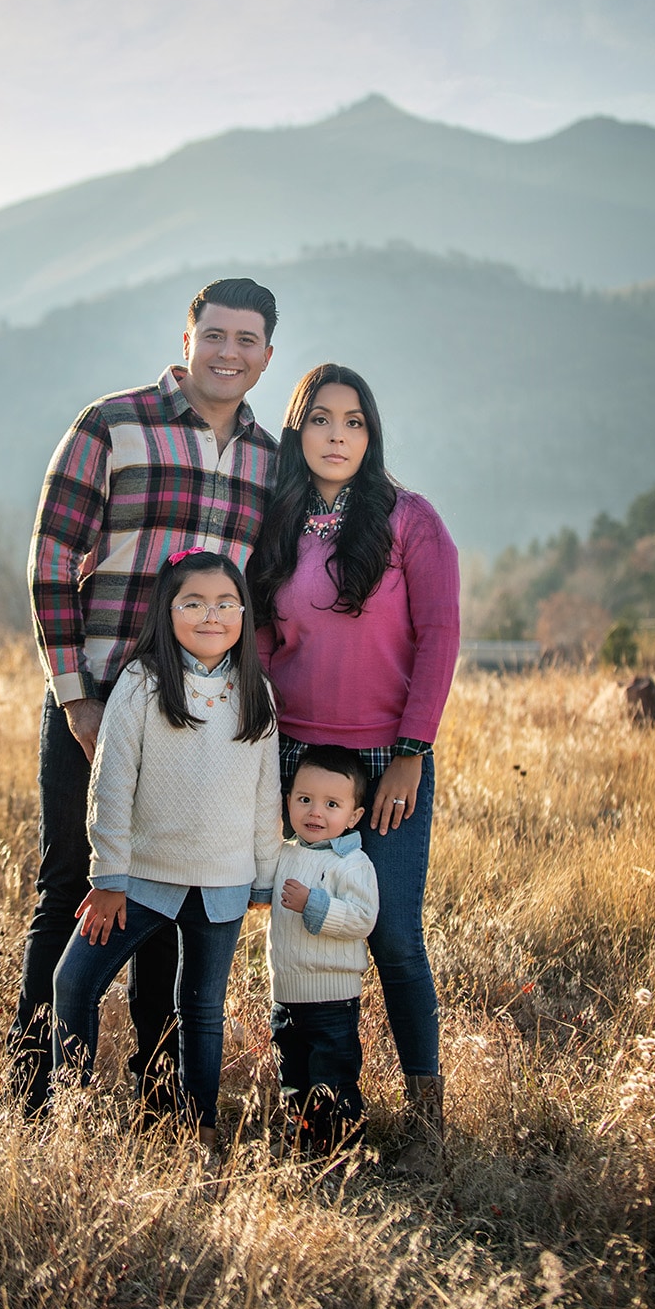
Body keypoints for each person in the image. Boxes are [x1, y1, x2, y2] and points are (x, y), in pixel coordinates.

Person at [13, 279, 280, 1112]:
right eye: (215, 335)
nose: (228, 353)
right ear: (189, 335)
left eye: (247, 340)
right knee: (76, 888)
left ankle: (159, 1099)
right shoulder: (113, 425)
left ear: (267, 355)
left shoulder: (271, 461)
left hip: (202, 721)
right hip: (97, 705)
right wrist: (75, 698)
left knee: (181, 901)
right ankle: (38, 1094)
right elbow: (51, 561)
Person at [249, 364, 460, 1173]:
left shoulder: (411, 521)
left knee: (396, 935)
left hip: (384, 759)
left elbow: (439, 636)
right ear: (298, 431)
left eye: (355, 422)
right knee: (296, 921)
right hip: (295, 757)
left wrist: (411, 753)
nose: (338, 435)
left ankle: (428, 1117)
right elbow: (264, 644)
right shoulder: (278, 523)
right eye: (322, 420)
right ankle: (314, 1099)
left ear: (371, 436)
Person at [52, 550, 281, 1150]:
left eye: (227, 603)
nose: (213, 615)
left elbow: (266, 797)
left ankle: (198, 1130)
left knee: (201, 1012)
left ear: (243, 612)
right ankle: (71, 1117)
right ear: (168, 610)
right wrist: (108, 878)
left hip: (224, 882)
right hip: (142, 880)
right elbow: (111, 783)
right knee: (74, 982)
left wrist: (263, 879)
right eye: (195, 603)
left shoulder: (257, 691)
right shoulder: (144, 682)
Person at [256, 744, 379, 1155]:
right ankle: (303, 1142)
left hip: (332, 998)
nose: (316, 813)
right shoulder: (285, 855)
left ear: (354, 816)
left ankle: (342, 1150)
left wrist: (315, 904)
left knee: (332, 1075)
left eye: (332, 804)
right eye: (304, 799)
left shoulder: (353, 864)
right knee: (293, 1074)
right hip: (286, 995)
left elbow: (363, 918)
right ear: (288, 800)